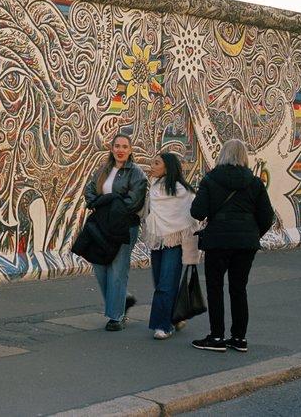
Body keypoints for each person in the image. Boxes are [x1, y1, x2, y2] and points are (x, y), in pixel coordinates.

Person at [188, 139, 273, 352]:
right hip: (246, 244)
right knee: (238, 289)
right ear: (244, 156)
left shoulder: (211, 179)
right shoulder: (255, 183)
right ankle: (239, 338)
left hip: (217, 241)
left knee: (215, 288)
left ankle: (217, 336)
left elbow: (197, 212)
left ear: (222, 154)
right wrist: (252, 234)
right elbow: (267, 217)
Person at [80, 133, 148, 331]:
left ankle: (116, 316)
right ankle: (123, 299)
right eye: (117, 146)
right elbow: (90, 191)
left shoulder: (136, 173)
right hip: (101, 224)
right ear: (111, 149)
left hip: (124, 226)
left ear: (130, 150)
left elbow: (134, 201)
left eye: (124, 146)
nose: (120, 150)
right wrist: (104, 202)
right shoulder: (103, 169)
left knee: (118, 268)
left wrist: (106, 205)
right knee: (100, 266)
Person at [143, 152, 198, 340]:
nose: (152, 166)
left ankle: (162, 326)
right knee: (160, 282)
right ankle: (175, 317)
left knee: (165, 283)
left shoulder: (182, 191)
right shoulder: (155, 187)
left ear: (167, 167)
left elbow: (191, 215)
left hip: (175, 243)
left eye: (156, 163)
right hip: (157, 240)